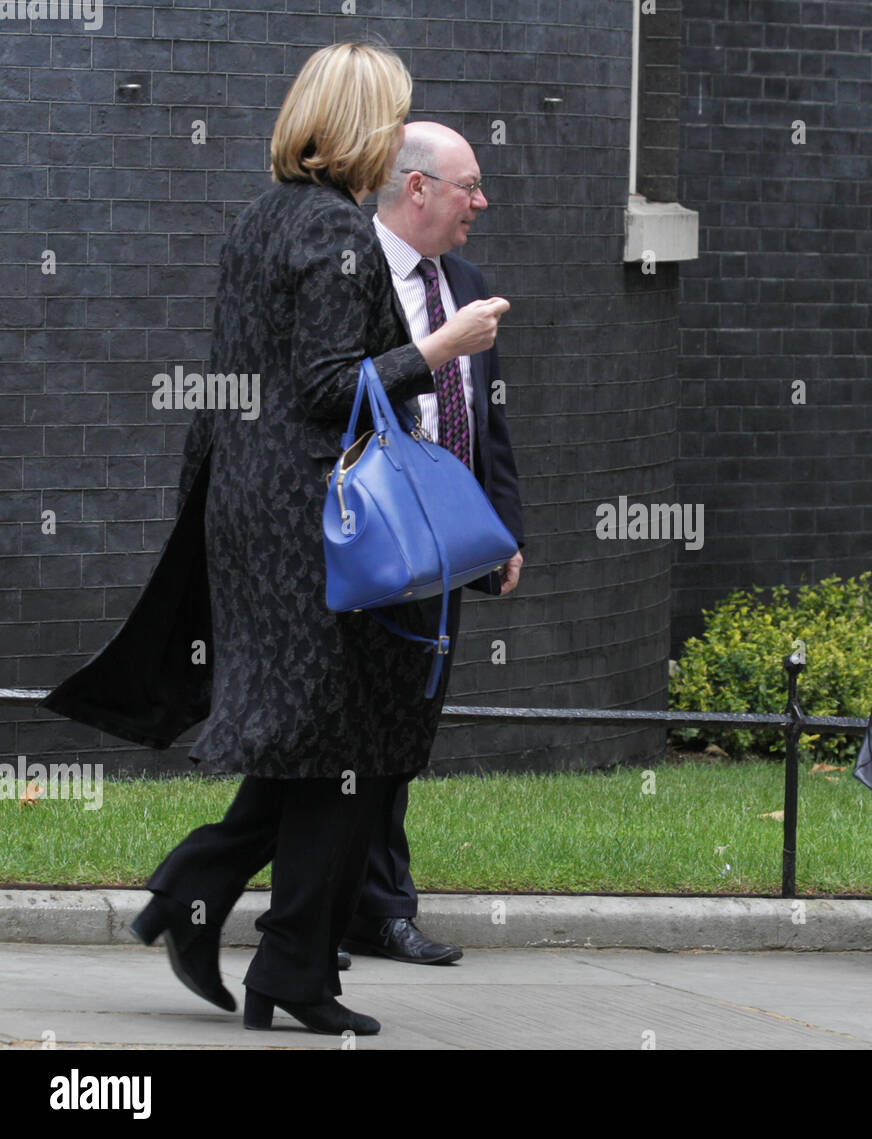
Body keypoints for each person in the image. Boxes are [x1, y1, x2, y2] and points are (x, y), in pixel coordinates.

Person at [43, 42, 521, 1035]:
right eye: (389, 118)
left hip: (262, 516)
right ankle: (260, 937)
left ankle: (234, 918)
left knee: (321, 740)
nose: (395, 141)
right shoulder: (336, 236)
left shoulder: (264, 220)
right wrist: (442, 346)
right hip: (322, 526)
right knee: (350, 737)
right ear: (355, 125)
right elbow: (320, 387)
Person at [337, 121, 524, 970]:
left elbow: (490, 419)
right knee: (354, 732)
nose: (479, 203)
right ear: (416, 188)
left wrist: (501, 528)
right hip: (373, 541)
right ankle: (365, 907)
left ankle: (366, 904)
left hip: (443, 548)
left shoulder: (467, 283)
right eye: (467, 187)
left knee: (408, 731)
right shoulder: (352, 270)